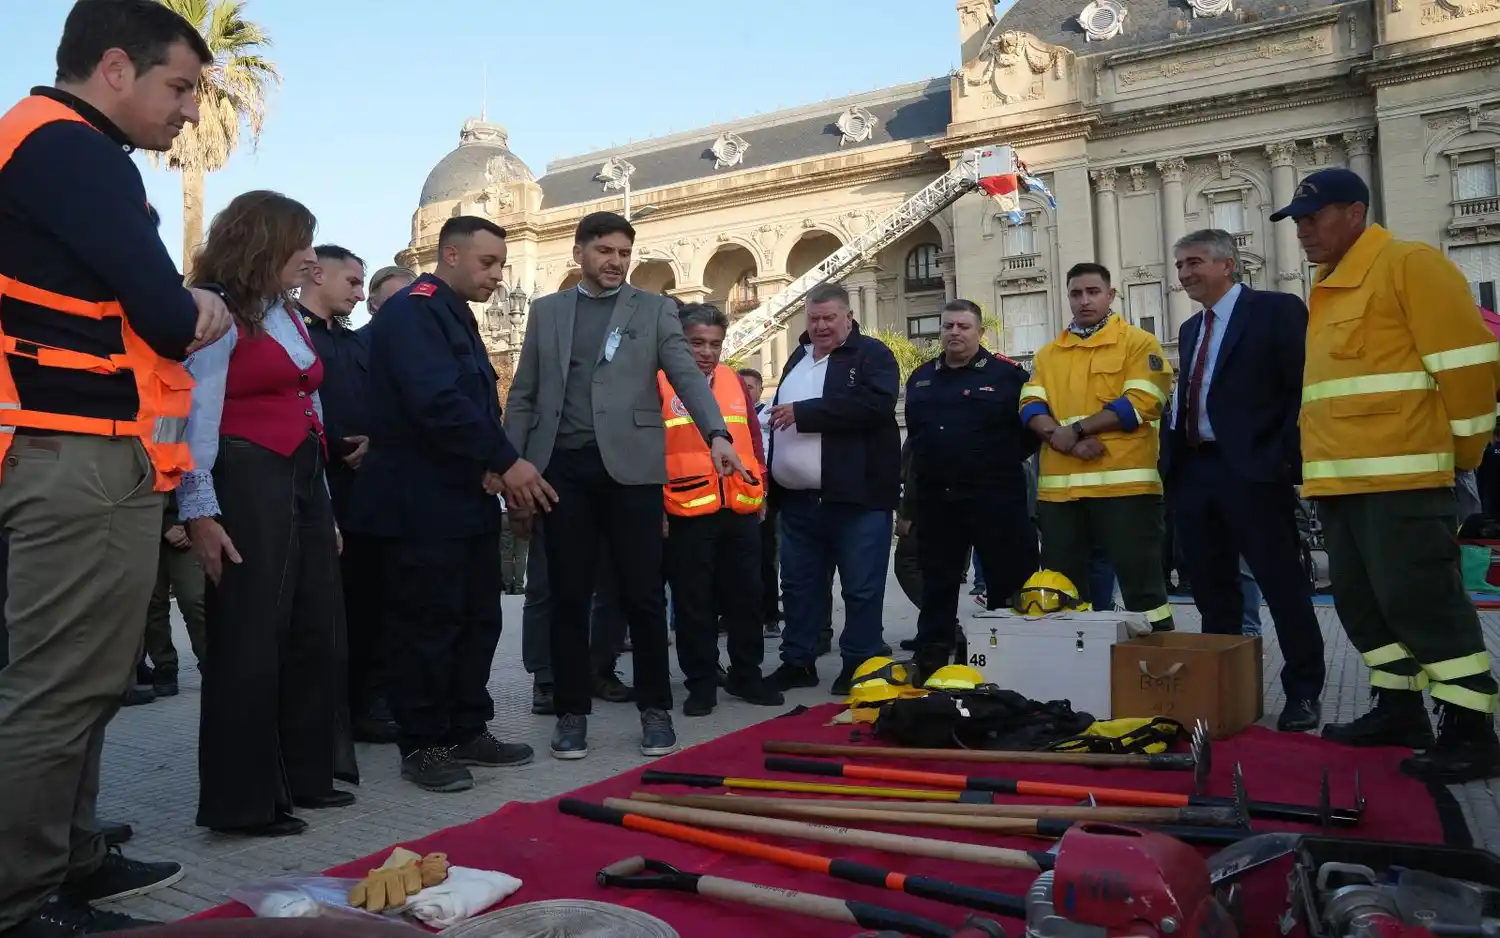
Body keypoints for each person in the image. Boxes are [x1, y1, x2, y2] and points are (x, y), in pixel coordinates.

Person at [0, 1, 232, 931]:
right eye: (180, 87)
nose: (190, 111)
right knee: (60, 688)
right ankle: (21, 901)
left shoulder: (45, 144)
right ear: (114, 68)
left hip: (76, 449)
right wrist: (197, 303)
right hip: (78, 454)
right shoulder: (71, 149)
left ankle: (73, 856)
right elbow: (168, 318)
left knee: (86, 681)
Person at [1274, 167, 1500, 781]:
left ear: (1354, 213)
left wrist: (1462, 456)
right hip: (1340, 484)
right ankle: (1398, 710)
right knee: (1362, 605)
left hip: (1405, 482)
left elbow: (1470, 368)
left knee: (1424, 603)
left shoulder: (1410, 265)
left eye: (1313, 218)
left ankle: (1472, 730)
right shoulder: (1332, 285)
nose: (1302, 230)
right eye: (1297, 221)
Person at [505, 211, 747, 761]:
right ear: (579, 254)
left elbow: (686, 375)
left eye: (623, 252)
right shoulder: (546, 312)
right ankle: (571, 714)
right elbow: (524, 393)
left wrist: (717, 433)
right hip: (561, 469)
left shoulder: (655, 309)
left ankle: (655, 710)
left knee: (642, 595)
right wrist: (508, 463)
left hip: (633, 470)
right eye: (604, 251)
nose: (616, 261)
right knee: (568, 596)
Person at [352, 215, 551, 792]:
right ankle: (424, 743)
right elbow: (436, 402)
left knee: (476, 620)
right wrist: (506, 461)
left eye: (501, 264)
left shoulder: (451, 313)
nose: (498, 275)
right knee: (427, 626)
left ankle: (466, 728)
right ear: (451, 255)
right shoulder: (414, 311)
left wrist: (487, 464)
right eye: (488, 263)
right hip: (419, 504)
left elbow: (473, 407)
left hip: (461, 498)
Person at [179, 191, 355, 836]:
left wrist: (324, 505)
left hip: (301, 479)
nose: (311, 257)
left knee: (314, 627)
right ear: (265, 243)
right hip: (246, 476)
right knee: (251, 635)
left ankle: (306, 773)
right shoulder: (216, 311)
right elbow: (195, 415)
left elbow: (311, 406)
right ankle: (243, 802)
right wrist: (199, 510)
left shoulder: (284, 315)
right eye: (300, 243)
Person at [1159, 228, 1325, 732]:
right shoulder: (1191, 328)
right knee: (1212, 590)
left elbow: (1300, 387)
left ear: (1227, 264)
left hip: (1254, 471)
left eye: (1193, 262)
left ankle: (1303, 691)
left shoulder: (1276, 310)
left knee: (1281, 583)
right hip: (1196, 471)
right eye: (1180, 265)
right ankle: (1225, 688)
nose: (1184, 274)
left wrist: (1281, 460)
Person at [1019, 263, 1175, 630]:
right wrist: (1067, 441)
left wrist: (1073, 431)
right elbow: (1030, 405)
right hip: (1061, 496)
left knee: (1143, 588)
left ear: (1111, 295)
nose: (1084, 300)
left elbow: (1143, 402)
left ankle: (1156, 657)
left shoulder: (1139, 343)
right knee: (1061, 589)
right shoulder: (1048, 354)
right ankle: (1076, 659)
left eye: (1093, 292)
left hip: (1126, 491)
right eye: (1076, 293)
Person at [765, 283, 902, 696]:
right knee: (798, 587)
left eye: (829, 318)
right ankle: (798, 661)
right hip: (799, 502)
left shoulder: (872, 355)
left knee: (860, 587)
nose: (821, 326)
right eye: (814, 318)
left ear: (848, 317)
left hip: (857, 500)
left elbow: (875, 405)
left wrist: (804, 413)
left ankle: (859, 663)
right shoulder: (798, 357)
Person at [903, 300, 1038, 679]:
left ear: (980, 332)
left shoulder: (1008, 376)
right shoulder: (921, 378)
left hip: (995, 498)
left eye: (963, 326)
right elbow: (917, 441)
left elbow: (1029, 435)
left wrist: (992, 463)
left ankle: (1007, 661)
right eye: (948, 326)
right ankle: (932, 660)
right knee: (937, 585)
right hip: (938, 501)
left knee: (1005, 582)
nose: (954, 333)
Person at [661, 303, 785, 716]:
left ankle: (747, 675)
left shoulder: (733, 379)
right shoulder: (659, 382)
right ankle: (701, 684)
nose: (707, 352)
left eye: (715, 344)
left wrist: (761, 487)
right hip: (686, 509)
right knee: (694, 603)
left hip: (740, 506)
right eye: (697, 343)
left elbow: (753, 438)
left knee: (747, 597)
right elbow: (647, 447)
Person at [299, 245, 396, 745]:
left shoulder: (359, 345)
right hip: (309, 489)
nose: (360, 295)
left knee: (368, 601)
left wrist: (373, 441)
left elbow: (384, 403)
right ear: (318, 274)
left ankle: (367, 703)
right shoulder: (289, 337)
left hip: (365, 493)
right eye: (353, 283)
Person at [738, 366, 782, 637]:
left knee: (766, 556)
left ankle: (770, 615)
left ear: (760, 390)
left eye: (750, 387)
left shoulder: (768, 414)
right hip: (734, 493)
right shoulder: (724, 413)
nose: (745, 391)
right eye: (740, 387)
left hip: (764, 491)